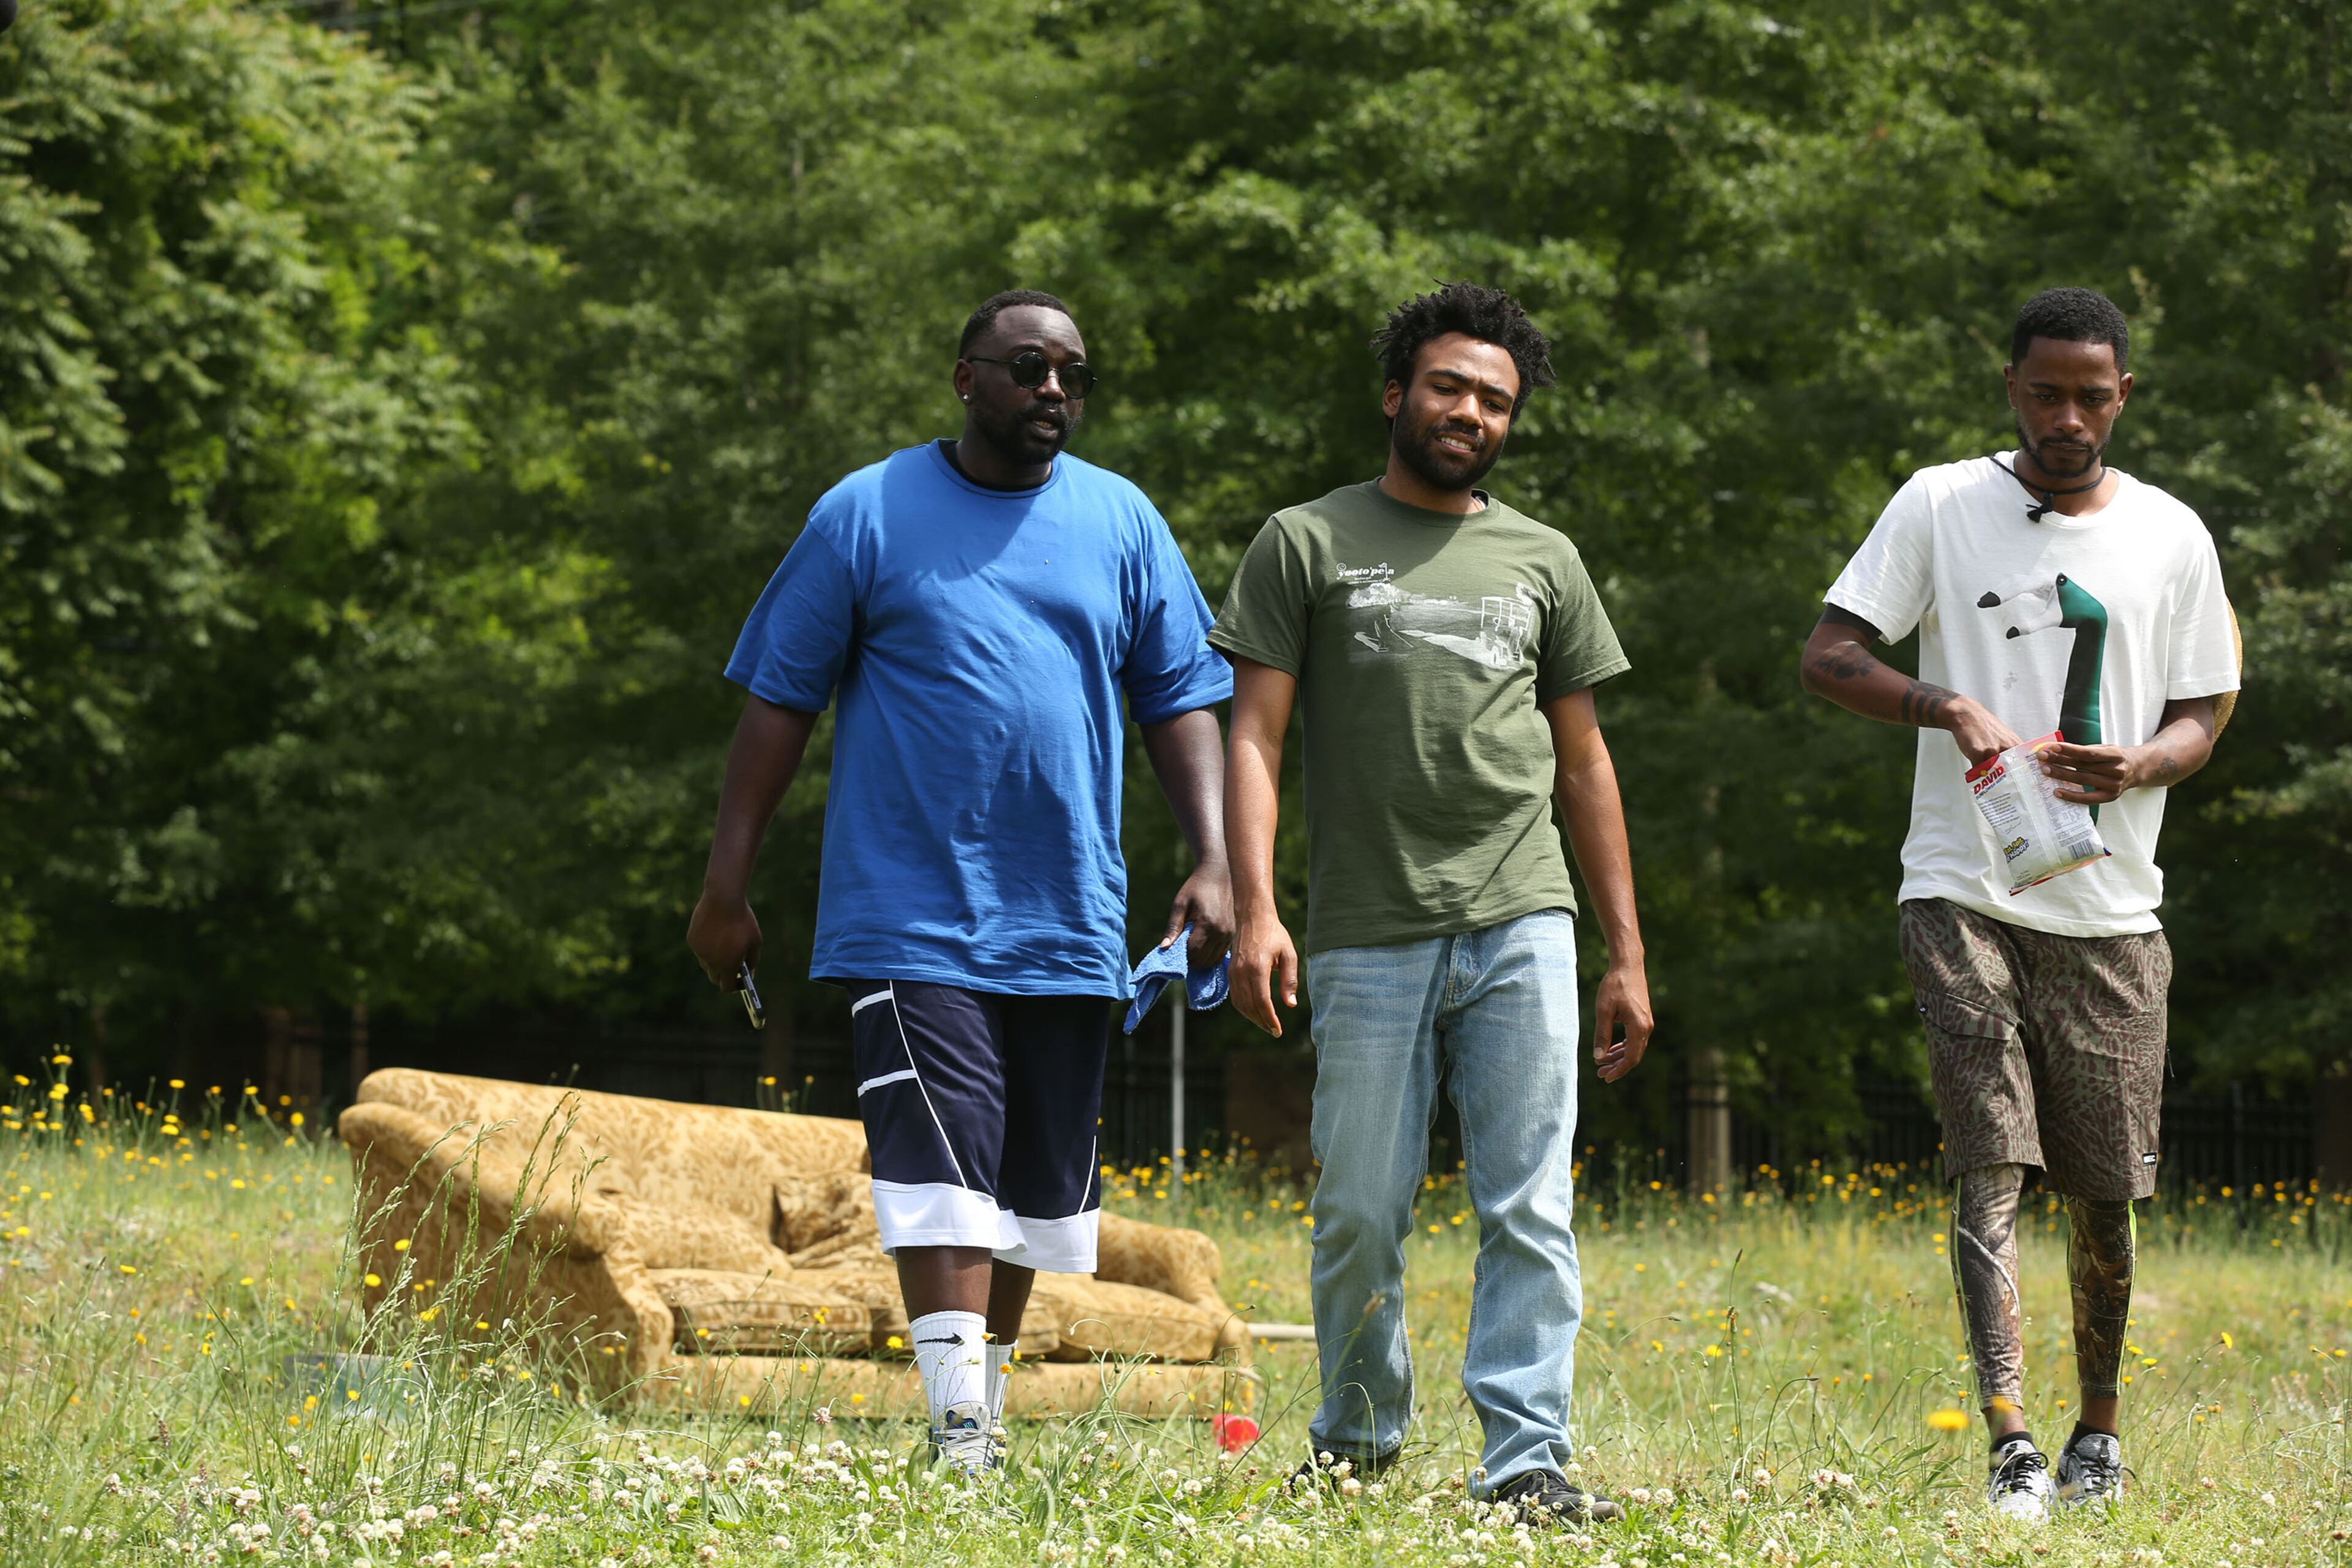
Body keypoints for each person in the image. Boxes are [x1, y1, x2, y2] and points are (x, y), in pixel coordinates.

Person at [687, 289, 1234, 1474]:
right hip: (911, 910)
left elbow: (1181, 697)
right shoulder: (866, 512)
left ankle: (972, 1415)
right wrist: (727, 885)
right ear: (966, 378)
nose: (1053, 391)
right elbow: (777, 702)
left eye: (1073, 375)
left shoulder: (1123, 520)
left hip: (1069, 917)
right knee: (942, 1162)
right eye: (1028, 367)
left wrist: (1216, 861)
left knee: (1036, 1192)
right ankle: (961, 1429)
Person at [1214, 282, 1653, 1523]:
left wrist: (1624, 951)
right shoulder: (1304, 540)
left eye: (1496, 399)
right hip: (1366, 924)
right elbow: (1255, 734)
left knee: (1530, 1200)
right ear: (1398, 392)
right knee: (1359, 1202)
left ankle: (1527, 1459)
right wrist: (1258, 908)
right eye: (1451, 386)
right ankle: (1355, 1437)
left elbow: (1586, 762)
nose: (1471, 412)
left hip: (1525, 916)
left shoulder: (1545, 559)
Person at [1800, 287, 2239, 1519]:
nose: (2067, 415)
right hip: (1964, 888)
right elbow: (1829, 653)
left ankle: (2099, 1432)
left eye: (2091, 395)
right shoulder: (1941, 502)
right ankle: (2011, 1441)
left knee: (2104, 1191)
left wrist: (2144, 762)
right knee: (1991, 1158)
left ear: (2124, 396)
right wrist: (1941, 702)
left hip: (2110, 910)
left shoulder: (2172, 536)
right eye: (2045, 391)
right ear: (2012, 388)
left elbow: (2206, 708)